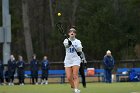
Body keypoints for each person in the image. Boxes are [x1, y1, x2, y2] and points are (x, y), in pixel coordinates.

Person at [63, 28, 83, 93]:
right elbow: (66, 46)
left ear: (75, 34)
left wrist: (78, 50)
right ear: (69, 33)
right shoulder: (66, 40)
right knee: (69, 77)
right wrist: (69, 43)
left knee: (75, 75)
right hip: (68, 60)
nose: (72, 32)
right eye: (71, 32)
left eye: (73, 32)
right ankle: (74, 87)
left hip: (76, 60)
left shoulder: (78, 41)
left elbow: (80, 50)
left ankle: (76, 89)